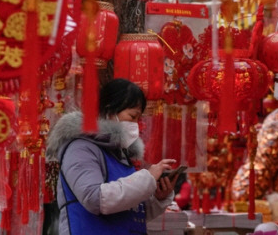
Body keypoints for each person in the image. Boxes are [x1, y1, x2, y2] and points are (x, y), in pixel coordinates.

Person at [46, 78, 179, 235]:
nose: (137, 124)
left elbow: (130, 212)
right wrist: (147, 178)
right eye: (132, 116)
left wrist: (158, 197)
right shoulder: (80, 148)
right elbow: (94, 198)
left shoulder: (120, 153)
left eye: (139, 118)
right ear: (109, 111)